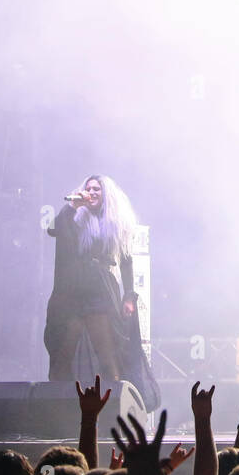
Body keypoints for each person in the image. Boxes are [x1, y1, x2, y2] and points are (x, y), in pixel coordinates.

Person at [44, 174, 160, 409]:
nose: (92, 193)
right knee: (64, 348)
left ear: (106, 194)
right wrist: (72, 207)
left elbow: (126, 262)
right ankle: (58, 406)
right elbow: (53, 230)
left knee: (107, 350)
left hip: (100, 289)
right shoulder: (76, 218)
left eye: (97, 189)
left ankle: (116, 403)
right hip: (73, 291)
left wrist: (129, 296)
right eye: (89, 189)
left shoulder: (115, 222)